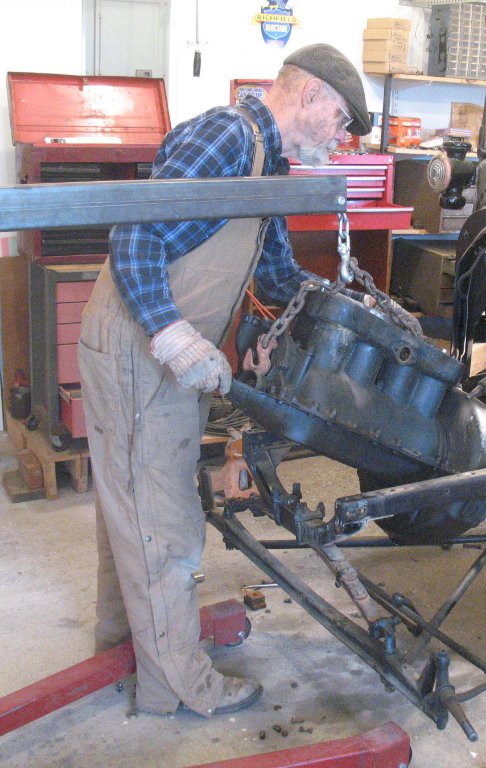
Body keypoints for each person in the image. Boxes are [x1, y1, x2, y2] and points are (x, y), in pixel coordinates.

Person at [78, 44, 372, 718]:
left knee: (131, 500)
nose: (344, 136)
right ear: (311, 95)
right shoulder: (227, 138)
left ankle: (122, 645)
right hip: (141, 344)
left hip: (160, 352)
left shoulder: (269, 163)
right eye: (342, 119)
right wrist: (172, 334)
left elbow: (276, 274)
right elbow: (136, 237)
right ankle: (177, 687)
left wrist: (345, 306)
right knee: (165, 521)